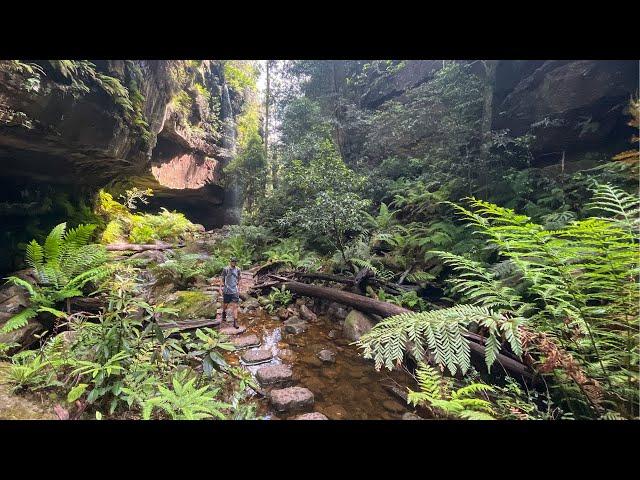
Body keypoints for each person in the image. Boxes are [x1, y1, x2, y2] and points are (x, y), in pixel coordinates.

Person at [219, 257, 241, 328]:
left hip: (234, 290)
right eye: (232, 261)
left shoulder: (238, 269)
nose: (234, 263)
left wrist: (239, 287)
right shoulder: (226, 269)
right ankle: (223, 313)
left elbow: (239, 278)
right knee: (225, 305)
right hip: (227, 290)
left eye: (235, 261)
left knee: (235, 306)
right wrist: (220, 288)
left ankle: (235, 322)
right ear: (230, 261)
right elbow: (222, 278)